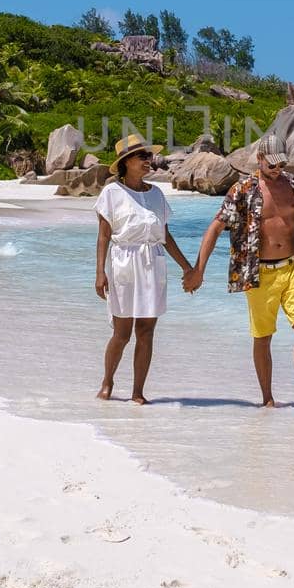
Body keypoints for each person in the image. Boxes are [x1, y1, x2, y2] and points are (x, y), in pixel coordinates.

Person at [191, 132, 294, 409]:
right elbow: (215, 227)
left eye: (281, 164)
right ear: (259, 159)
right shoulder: (243, 190)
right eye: (271, 164)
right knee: (263, 337)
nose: (277, 169)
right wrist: (198, 270)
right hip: (258, 272)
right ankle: (268, 400)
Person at [94, 133, 199, 404]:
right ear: (127, 161)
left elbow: (165, 234)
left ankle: (138, 391)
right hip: (124, 263)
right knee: (122, 332)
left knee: (146, 331)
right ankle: (108, 380)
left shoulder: (156, 194)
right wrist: (99, 272)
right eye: (143, 156)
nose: (149, 161)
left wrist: (188, 268)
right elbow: (103, 236)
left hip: (153, 262)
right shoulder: (111, 193)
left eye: (149, 156)